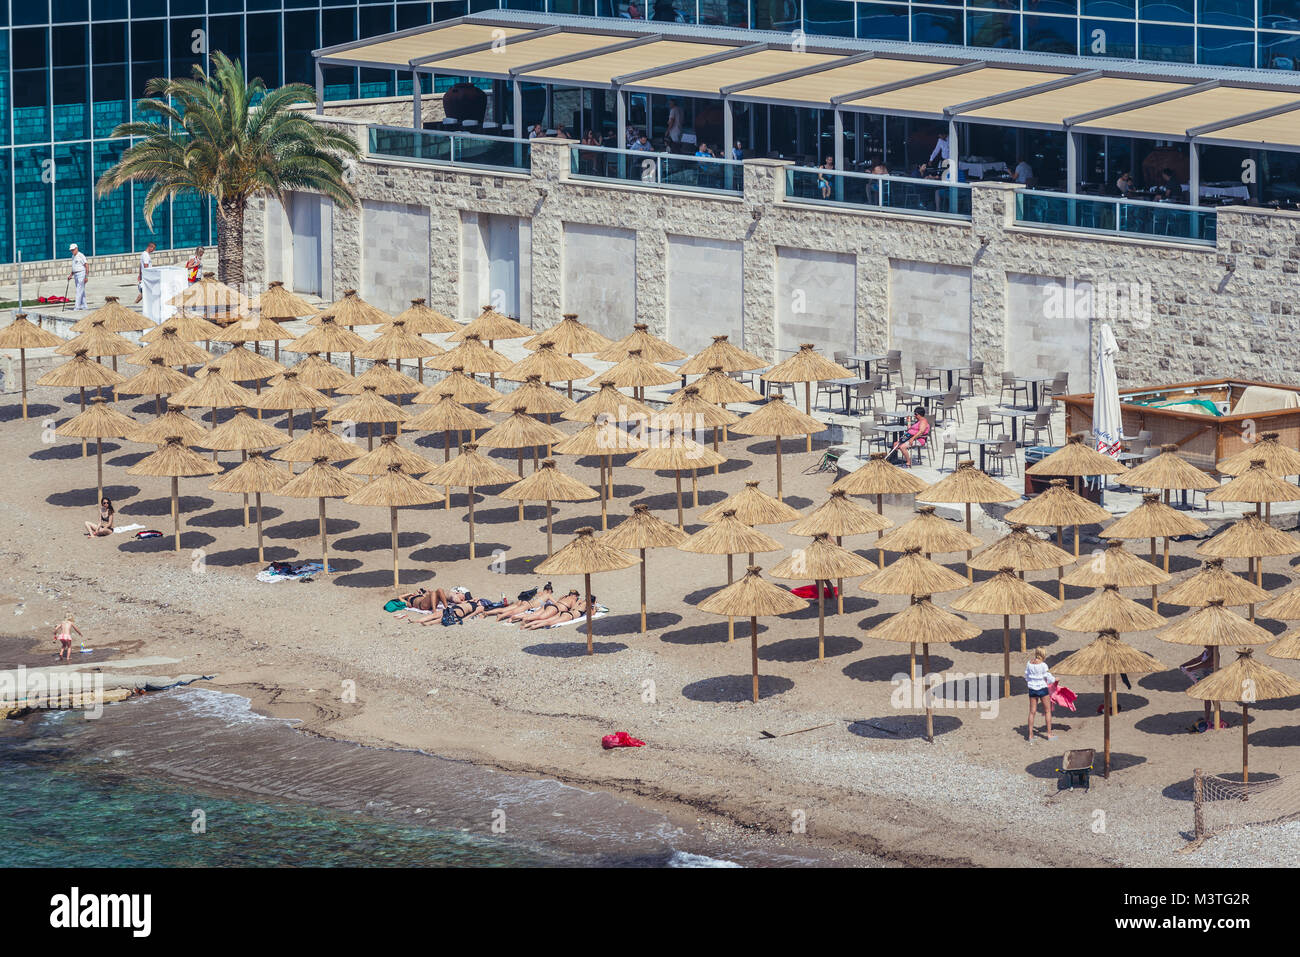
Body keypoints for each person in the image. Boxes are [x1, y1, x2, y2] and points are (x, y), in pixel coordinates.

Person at [1025, 647, 1056, 741]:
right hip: (1042, 688)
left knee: (1032, 712)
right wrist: (1055, 680)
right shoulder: (1043, 665)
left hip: (1032, 688)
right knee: (1047, 711)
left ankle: (1030, 735)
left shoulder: (1029, 663)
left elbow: (1026, 676)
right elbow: (1048, 678)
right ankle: (1049, 734)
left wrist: (1031, 682)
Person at [522, 594, 593, 630]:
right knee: (549, 622)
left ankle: (527, 624)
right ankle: (534, 627)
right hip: (568, 615)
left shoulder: (578, 602)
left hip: (561, 612)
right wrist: (594, 608)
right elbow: (592, 614)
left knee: (545, 619)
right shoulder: (586, 605)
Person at [68, 243, 89, 310]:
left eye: (73, 250)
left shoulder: (81, 255)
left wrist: (86, 276)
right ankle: (84, 305)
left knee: (79, 290)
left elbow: (86, 265)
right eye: (71, 250)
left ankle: (77, 306)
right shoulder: (73, 256)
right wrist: (71, 275)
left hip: (81, 274)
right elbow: (74, 267)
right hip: (76, 274)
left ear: (76, 249)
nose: (72, 251)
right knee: (81, 290)